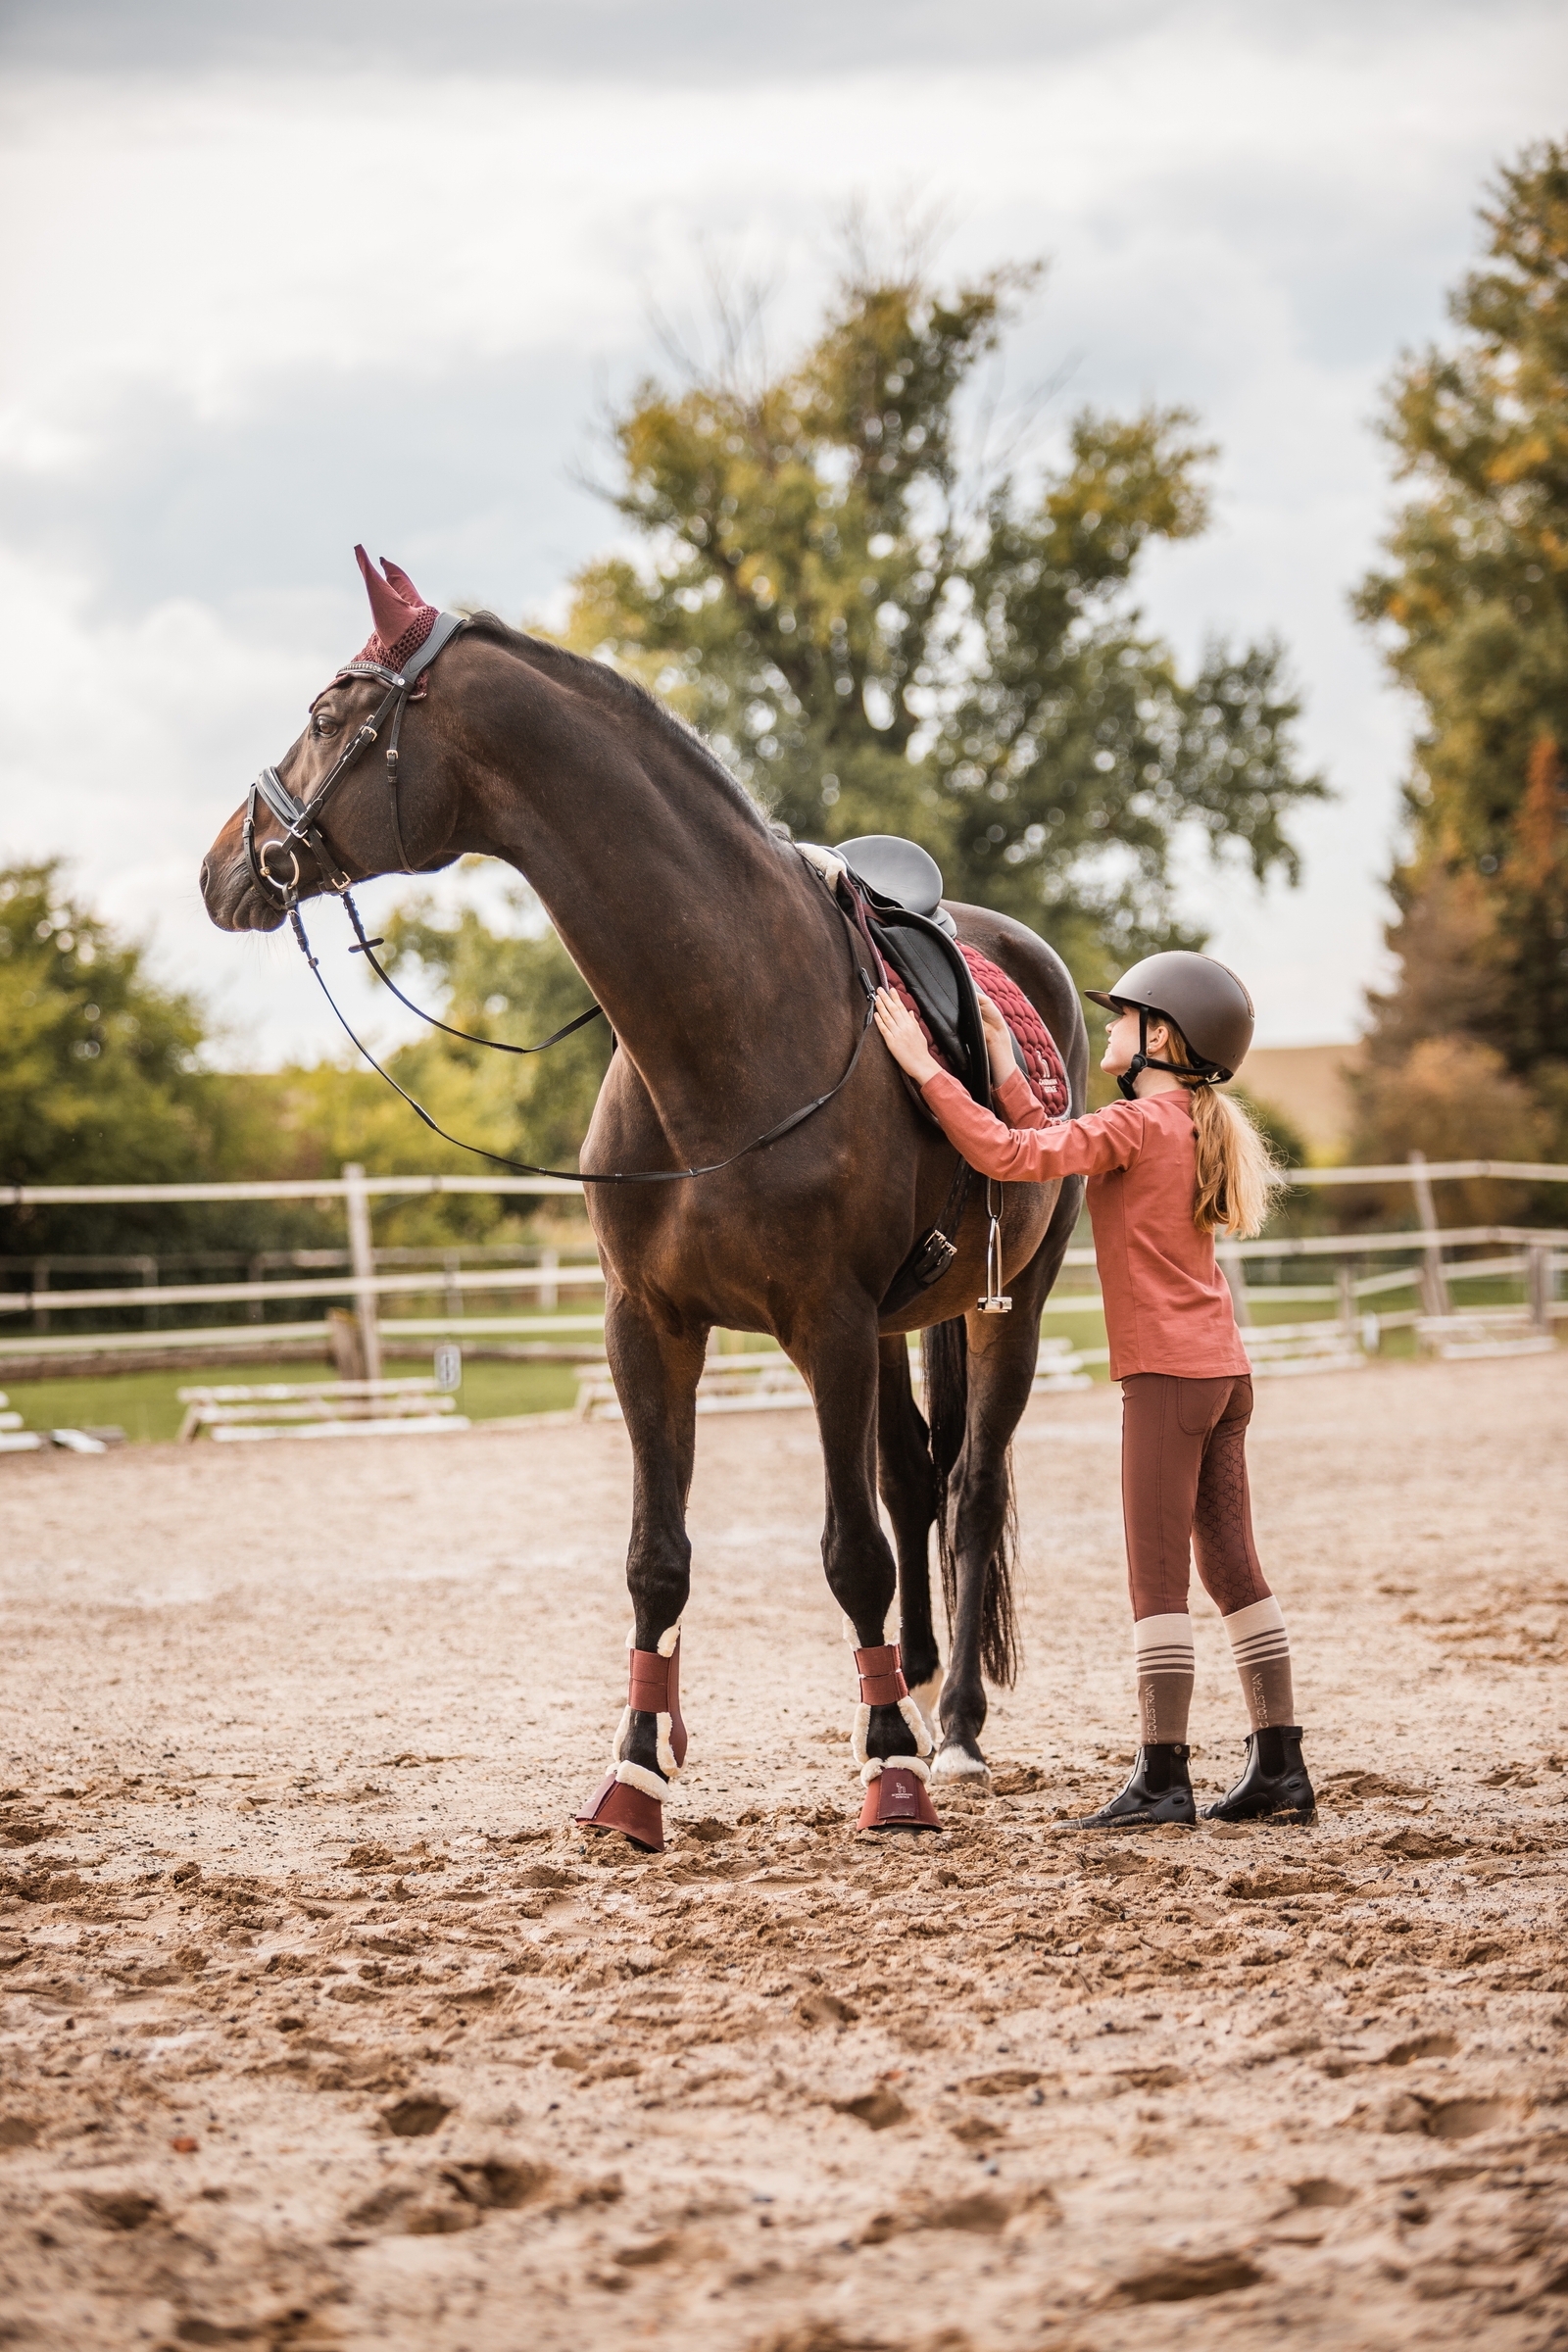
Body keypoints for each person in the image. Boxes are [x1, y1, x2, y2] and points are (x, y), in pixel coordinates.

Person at [873, 952, 1313, 1829]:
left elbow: (1007, 1153)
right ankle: (1281, 1766)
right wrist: (1000, 1056)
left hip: (1166, 1381)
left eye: (1123, 1017)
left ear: (1161, 1036)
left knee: (1157, 1580)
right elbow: (1047, 1135)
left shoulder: (1136, 1126)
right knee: (1232, 1567)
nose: (1106, 1027)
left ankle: (1164, 1777)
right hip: (1224, 1374)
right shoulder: (1181, 1120)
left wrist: (925, 1071)